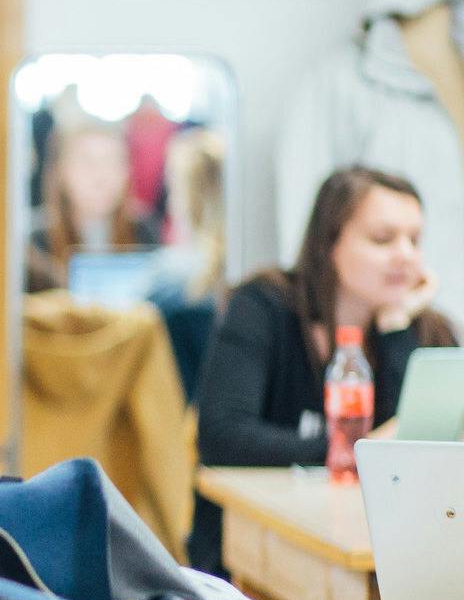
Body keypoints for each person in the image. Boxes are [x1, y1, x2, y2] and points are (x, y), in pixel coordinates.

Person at [190, 165, 457, 576]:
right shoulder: (263, 306)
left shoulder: (424, 327)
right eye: (383, 239)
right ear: (329, 243)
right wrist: (354, 452)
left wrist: (395, 329)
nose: (405, 254)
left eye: (415, 240)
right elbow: (222, 436)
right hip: (257, 550)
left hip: (379, 550)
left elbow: (422, 452)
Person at [26, 120, 159, 292]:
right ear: (61, 170)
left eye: (112, 162)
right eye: (87, 162)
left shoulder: (143, 231)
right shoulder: (36, 243)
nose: (101, 177)